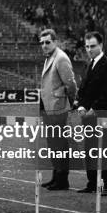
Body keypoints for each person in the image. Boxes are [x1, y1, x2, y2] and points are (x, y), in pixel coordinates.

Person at [74, 31, 107, 196]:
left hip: (103, 113)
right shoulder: (88, 65)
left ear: (101, 45)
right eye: (87, 46)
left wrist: (93, 109)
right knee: (89, 149)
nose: (89, 49)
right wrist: (81, 106)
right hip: (88, 115)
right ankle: (92, 183)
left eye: (92, 46)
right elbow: (84, 89)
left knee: (106, 149)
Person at [38, 29, 77, 191]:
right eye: (42, 43)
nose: (44, 45)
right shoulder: (50, 58)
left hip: (59, 109)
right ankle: (56, 177)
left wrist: (70, 102)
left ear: (55, 42)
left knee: (60, 145)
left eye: (47, 42)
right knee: (53, 145)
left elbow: (71, 84)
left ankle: (62, 180)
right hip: (49, 109)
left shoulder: (61, 58)